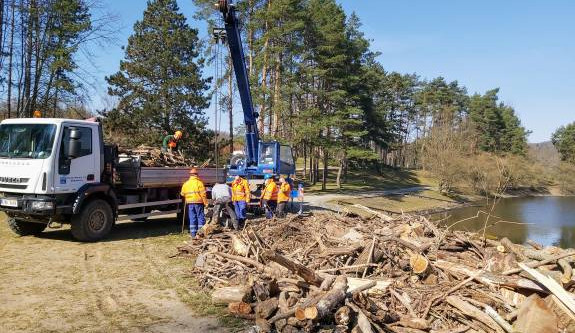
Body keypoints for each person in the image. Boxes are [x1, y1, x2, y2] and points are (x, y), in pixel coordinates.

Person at [180, 168, 208, 240]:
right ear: (196, 175)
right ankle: (200, 234)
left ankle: (193, 234)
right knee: (200, 217)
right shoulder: (199, 183)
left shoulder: (186, 183)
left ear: (190, 175)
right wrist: (206, 203)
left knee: (192, 217)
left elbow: (182, 194)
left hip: (190, 203)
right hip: (198, 202)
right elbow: (203, 195)